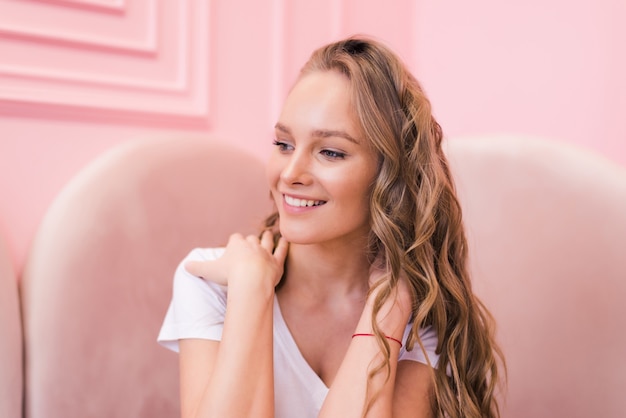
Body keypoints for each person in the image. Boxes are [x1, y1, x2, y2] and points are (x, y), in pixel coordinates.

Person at [158, 35, 505, 418]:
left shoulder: (414, 313)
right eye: (284, 144)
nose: (290, 174)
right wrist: (251, 292)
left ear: (390, 175)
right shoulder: (210, 280)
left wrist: (387, 310)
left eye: (330, 152)